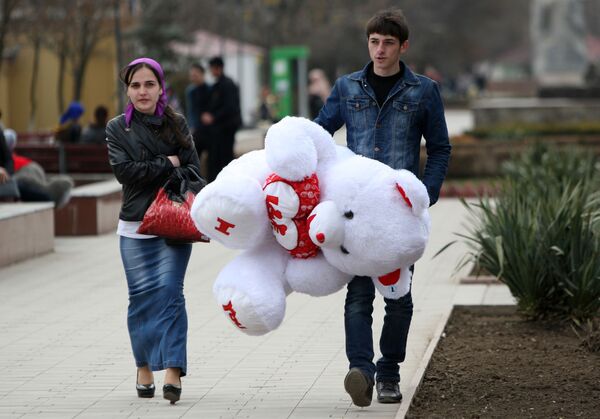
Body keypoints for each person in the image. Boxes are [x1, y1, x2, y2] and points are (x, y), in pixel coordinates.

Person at [314, 9, 451, 407]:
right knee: (357, 296)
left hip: (396, 215)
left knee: (398, 298)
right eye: (374, 41)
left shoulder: (423, 91)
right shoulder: (347, 87)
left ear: (402, 46)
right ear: (368, 43)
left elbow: (440, 148)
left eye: (388, 42)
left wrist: (425, 193)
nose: (380, 49)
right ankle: (361, 370)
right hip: (353, 213)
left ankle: (389, 371)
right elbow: (319, 134)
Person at [105, 57, 201, 404]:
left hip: (172, 223)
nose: (142, 91)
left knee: (170, 293)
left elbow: (194, 170)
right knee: (141, 299)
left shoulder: (175, 123)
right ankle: (143, 365)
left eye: (149, 84)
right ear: (127, 90)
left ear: (161, 87)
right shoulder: (117, 128)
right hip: (134, 226)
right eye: (135, 85)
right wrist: (168, 163)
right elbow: (125, 172)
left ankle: (173, 369)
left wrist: (169, 167)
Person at [4, 129, 73, 207]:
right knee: (36, 187)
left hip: (23, 171)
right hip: (29, 167)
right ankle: (54, 190)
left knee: (21, 187)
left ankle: (54, 193)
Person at [201, 56, 242, 182]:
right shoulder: (218, 84)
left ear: (218, 68)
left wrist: (213, 117)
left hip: (226, 128)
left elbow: (230, 107)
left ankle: (226, 181)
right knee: (217, 157)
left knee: (225, 157)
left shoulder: (227, 85)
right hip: (220, 128)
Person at [185, 63, 212, 163]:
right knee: (195, 158)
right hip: (197, 129)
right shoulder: (190, 91)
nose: (193, 78)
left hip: (209, 129)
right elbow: (191, 110)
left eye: (195, 75)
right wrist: (191, 127)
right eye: (191, 76)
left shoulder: (210, 89)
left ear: (202, 74)